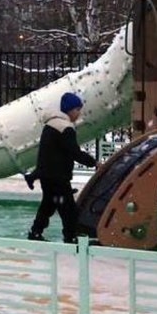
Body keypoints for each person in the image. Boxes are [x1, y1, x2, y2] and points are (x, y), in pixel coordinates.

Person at [27, 92, 96, 243]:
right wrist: (94, 163)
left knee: (48, 205)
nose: (79, 113)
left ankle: (35, 232)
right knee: (68, 209)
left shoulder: (50, 125)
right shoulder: (65, 128)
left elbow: (45, 154)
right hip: (58, 177)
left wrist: (36, 173)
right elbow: (74, 152)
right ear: (70, 110)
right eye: (77, 109)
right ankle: (70, 237)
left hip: (48, 176)